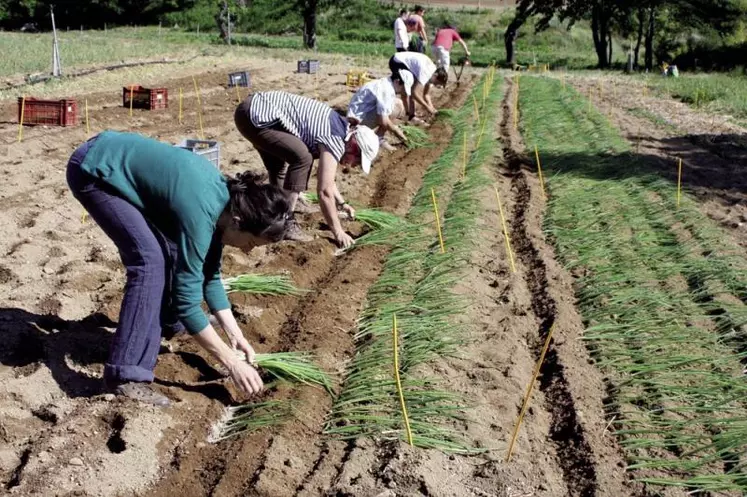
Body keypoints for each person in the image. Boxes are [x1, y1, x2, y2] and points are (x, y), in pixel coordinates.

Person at [66, 131, 291, 407]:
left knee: (174, 251)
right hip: (96, 170)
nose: (247, 250)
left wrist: (236, 335)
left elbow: (210, 275)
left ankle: (171, 322)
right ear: (237, 221)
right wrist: (231, 363)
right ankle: (125, 375)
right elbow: (188, 301)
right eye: (251, 243)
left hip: (115, 158)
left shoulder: (225, 205)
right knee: (149, 261)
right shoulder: (201, 213)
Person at [234, 91, 380, 249]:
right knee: (303, 158)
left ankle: (276, 213)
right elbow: (324, 191)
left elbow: (327, 180)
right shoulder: (337, 138)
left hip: (252, 113)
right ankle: (286, 222)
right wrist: (338, 231)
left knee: (279, 167)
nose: (352, 165)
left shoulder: (341, 130)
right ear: (354, 145)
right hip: (255, 114)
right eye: (357, 160)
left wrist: (342, 203)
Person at [347, 71, 414, 151]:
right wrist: (398, 132)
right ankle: (369, 137)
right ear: (397, 81)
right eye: (403, 87)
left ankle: (379, 138)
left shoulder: (386, 83)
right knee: (395, 106)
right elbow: (383, 120)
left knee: (397, 104)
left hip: (362, 114)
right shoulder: (386, 89)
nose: (402, 91)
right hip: (357, 121)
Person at [389, 51, 448, 121]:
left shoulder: (433, 72)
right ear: (435, 76)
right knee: (405, 87)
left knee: (412, 86)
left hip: (406, 62)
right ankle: (409, 115)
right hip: (397, 61)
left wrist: (432, 108)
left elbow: (426, 95)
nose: (435, 85)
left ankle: (411, 115)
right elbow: (414, 93)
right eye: (437, 83)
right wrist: (427, 107)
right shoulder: (426, 72)